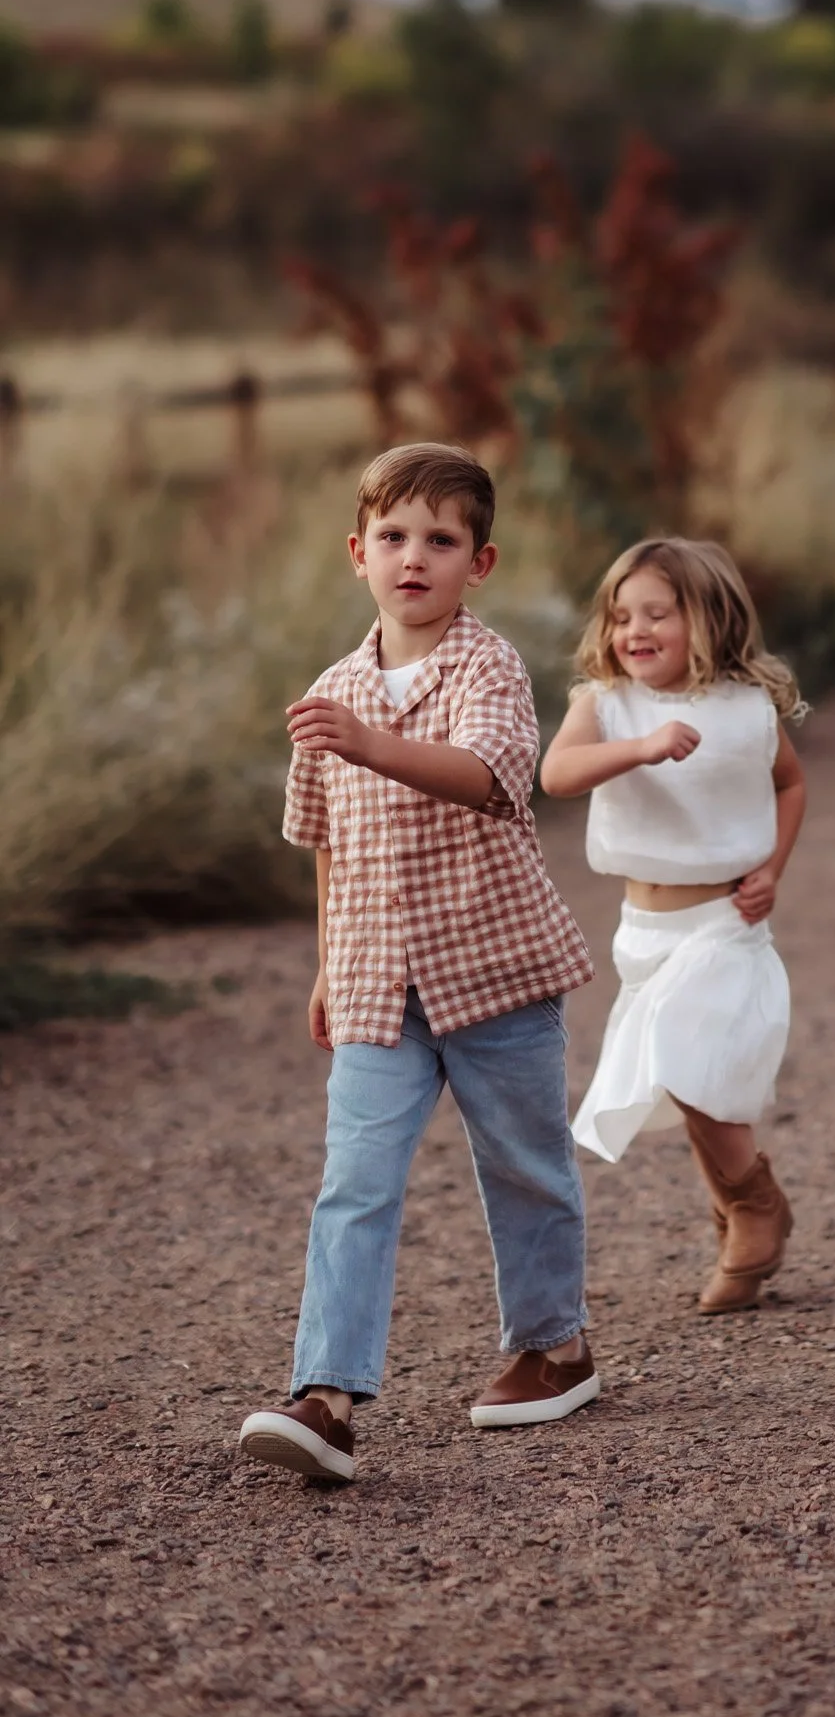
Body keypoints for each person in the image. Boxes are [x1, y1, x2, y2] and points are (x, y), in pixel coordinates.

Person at [237, 441, 596, 1486]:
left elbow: (489, 777)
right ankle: (327, 1394)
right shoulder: (332, 692)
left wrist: (368, 744)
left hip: (495, 974)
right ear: (358, 552)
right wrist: (324, 965)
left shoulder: (484, 666)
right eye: (393, 536)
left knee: (525, 1164)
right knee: (354, 1182)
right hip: (373, 982)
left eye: (441, 539)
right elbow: (327, 846)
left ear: (477, 563)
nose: (414, 557)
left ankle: (553, 1345)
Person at [541, 538, 805, 1315]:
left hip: (725, 921)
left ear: (710, 618)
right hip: (643, 932)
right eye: (621, 615)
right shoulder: (605, 703)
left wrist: (773, 870)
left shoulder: (745, 707)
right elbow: (555, 776)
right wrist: (639, 748)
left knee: (686, 1059)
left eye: (658, 613)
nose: (634, 630)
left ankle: (755, 1210)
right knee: (687, 1080)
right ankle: (736, 1216)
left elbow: (789, 785)